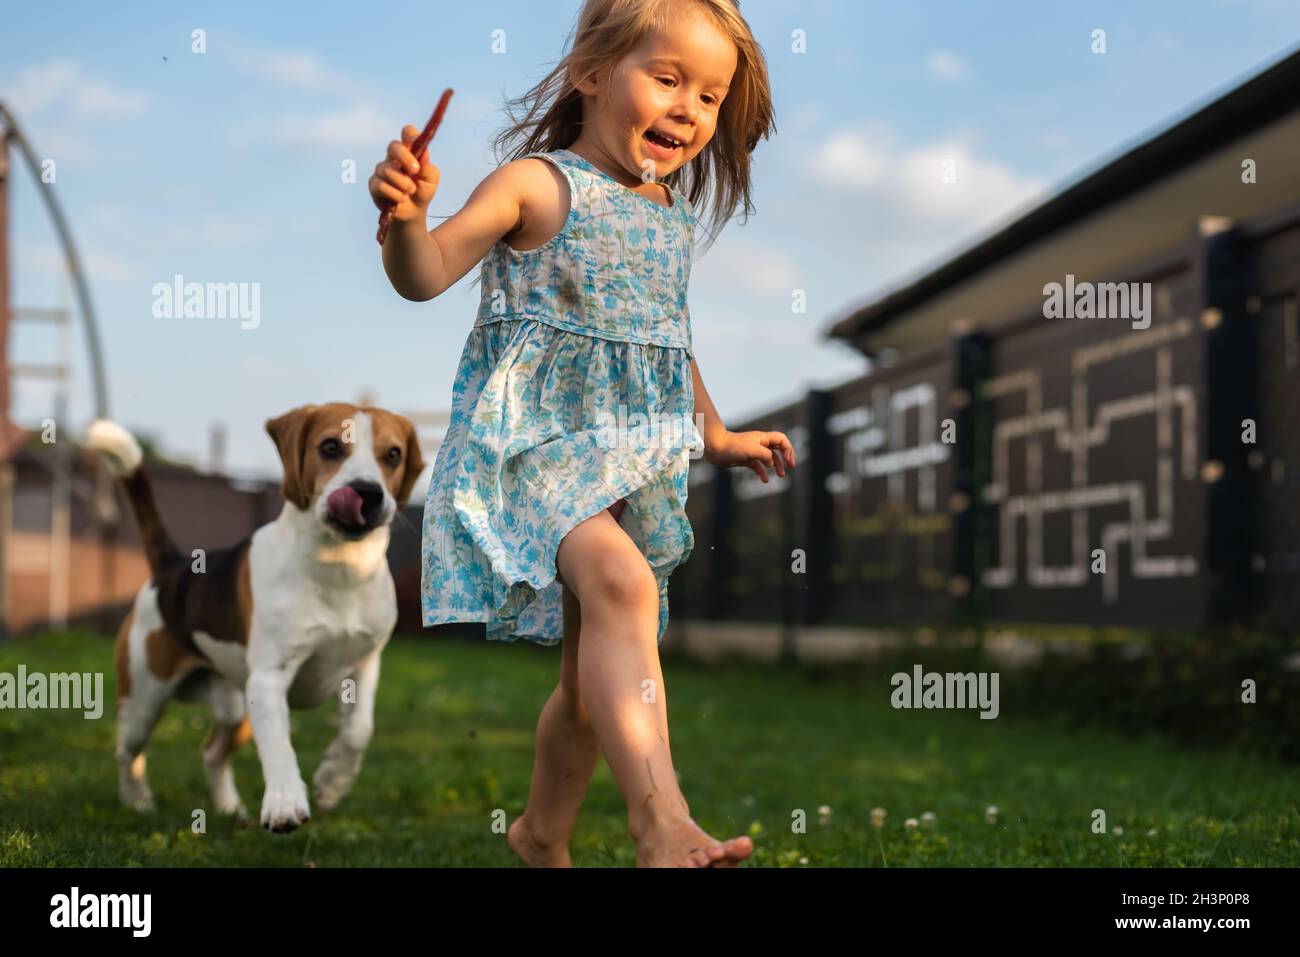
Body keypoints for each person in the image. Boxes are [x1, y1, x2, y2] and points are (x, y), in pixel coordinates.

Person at [369, 0, 793, 867]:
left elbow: (667, 342)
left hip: (629, 461)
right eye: (667, 79)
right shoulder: (536, 184)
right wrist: (406, 221)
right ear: (592, 73)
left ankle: (540, 834)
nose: (689, 110)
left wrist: (715, 434)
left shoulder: (670, 214)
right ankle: (660, 819)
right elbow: (426, 275)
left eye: (709, 97)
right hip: (530, 450)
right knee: (624, 587)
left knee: (588, 680)